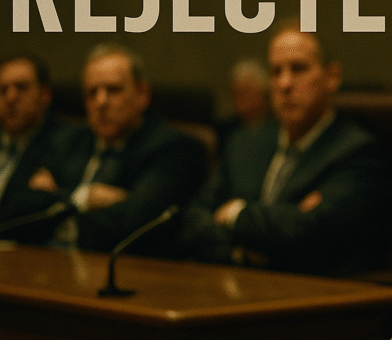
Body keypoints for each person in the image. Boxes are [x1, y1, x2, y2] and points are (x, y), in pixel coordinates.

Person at [178, 23, 390, 275]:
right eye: (276, 71)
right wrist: (237, 254)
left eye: (298, 69)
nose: (285, 84)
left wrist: (235, 213)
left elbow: (307, 235)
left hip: (312, 303)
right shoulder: (245, 143)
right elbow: (192, 220)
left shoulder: (357, 151)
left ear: (331, 78)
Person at [35, 44, 206, 254]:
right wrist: (85, 197)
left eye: (113, 90)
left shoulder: (175, 149)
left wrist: (55, 205)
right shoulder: (66, 141)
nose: (101, 102)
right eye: (92, 93)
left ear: (142, 94)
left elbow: (133, 222)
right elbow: (17, 206)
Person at [0, 53, 72, 242]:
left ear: (44, 95)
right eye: (3, 90)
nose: (11, 97)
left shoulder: (67, 142)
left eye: (21, 88)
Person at [215, 57, 271, 147]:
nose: (241, 99)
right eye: (236, 93)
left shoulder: (280, 129)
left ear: (263, 94)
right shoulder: (225, 131)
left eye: (247, 92)